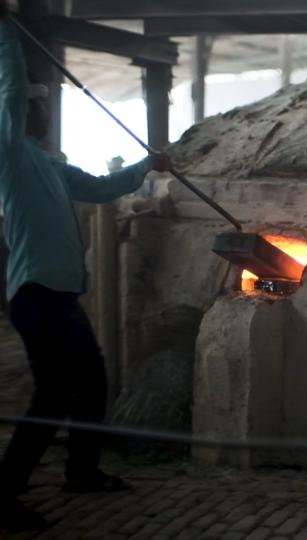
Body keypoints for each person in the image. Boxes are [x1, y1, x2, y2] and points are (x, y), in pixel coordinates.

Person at [0, 5, 171, 531]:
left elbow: (100, 188)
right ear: (25, 114)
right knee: (52, 394)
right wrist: (5, 28)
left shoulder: (51, 165)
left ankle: (80, 471)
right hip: (34, 293)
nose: (46, 113)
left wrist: (149, 166)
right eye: (39, 107)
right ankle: (5, 492)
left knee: (91, 381)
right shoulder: (10, 154)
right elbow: (11, 87)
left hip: (60, 294)